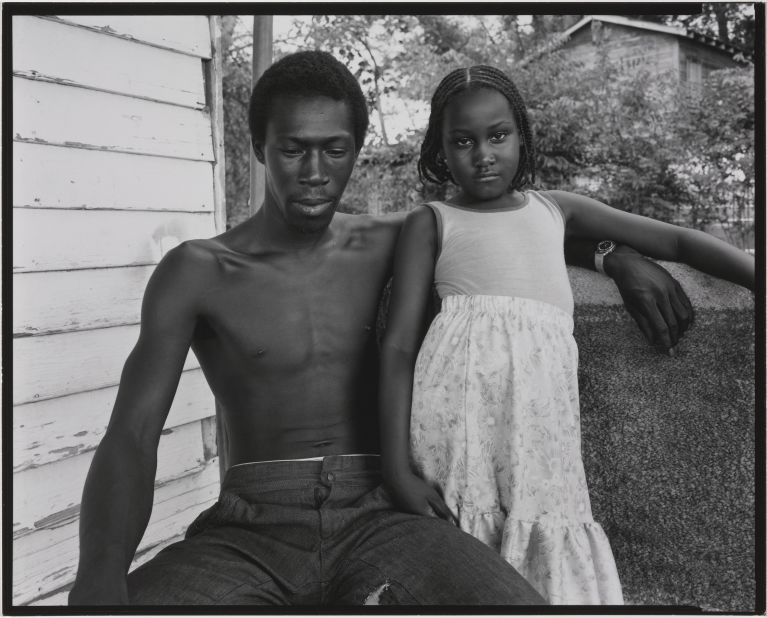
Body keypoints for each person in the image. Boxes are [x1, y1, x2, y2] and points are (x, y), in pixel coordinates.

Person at [69, 51, 695, 606]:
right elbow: (131, 434)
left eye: (334, 149)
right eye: (293, 149)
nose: (315, 171)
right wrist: (98, 575)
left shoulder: (389, 240)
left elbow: (503, 232)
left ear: (356, 150)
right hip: (248, 529)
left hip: (384, 515)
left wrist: (612, 255)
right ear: (261, 147)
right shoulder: (198, 270)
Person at [378, 64, 755, 606]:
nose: (483, 153)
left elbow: (674, 240)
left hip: (540, 431)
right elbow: (396, 345)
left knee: (548, 550)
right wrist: (396, 469)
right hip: (456, 428)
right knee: (466, 557)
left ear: (522, 137)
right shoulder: (433, 222)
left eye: (498, 135)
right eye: (463, 141)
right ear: (441, 150)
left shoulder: (557, 210)